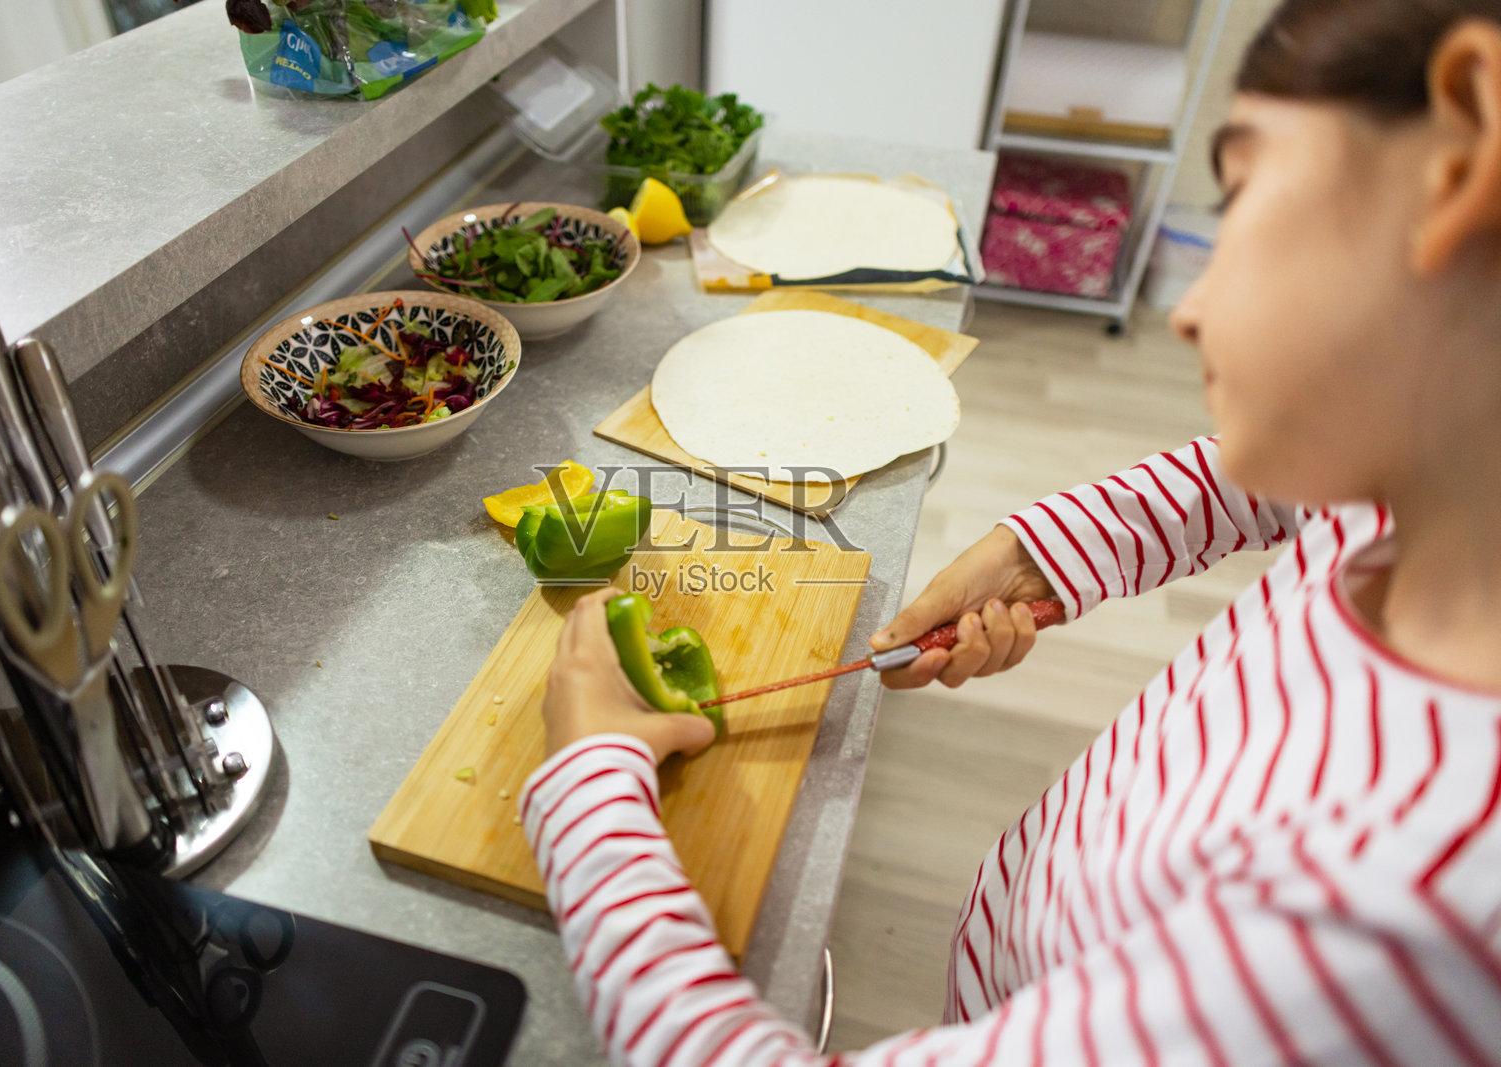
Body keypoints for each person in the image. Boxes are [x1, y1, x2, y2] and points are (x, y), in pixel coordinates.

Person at [522, 0, 1501, 1061]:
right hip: (1042, 970)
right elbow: (1271, 483)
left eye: (1247, 197)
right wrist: (1043, 549)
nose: (1190, 307)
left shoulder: (1380, 926)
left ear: (1464, 153)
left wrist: (589, 778)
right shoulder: (1434, 471)